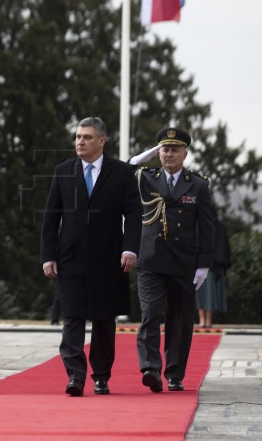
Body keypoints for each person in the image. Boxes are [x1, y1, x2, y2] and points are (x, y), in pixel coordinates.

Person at [40, 117, 141, 396]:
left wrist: (130, 248)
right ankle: (75, 376)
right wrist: (48, 255)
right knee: (71, 318)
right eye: (77, 137)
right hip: (70, 258)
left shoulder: (122, 173)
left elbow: (133, 214)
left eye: (86, 137)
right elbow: (51, 218)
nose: (80, 142)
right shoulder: (63, 171)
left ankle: (101, 376)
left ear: (101, 141)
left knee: (103, 320)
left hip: (108, 258)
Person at [136, 128, 215, 393]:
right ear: (157, 152)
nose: (169, 154)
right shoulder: (145, 177)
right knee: (150, 313)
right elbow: (119, 173)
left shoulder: (198, 184)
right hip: (150, 259)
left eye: (174, 149)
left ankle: (174, 373)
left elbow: (207, 226)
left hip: (183, 261)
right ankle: (150, 368)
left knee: (180, 319)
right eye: (164, 149)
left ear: (185, 153)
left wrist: (204, 264)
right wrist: (140, 158)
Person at [196, 220, 229, 328]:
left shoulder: (218, 227)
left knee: (210, 293)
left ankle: (208, 319)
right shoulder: (196, 225)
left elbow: (223, 247)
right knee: (199, 293)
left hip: (213, 266)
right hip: (198, 265)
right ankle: (202, 318)